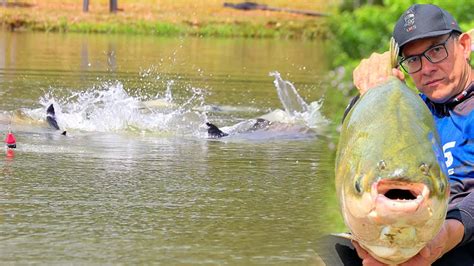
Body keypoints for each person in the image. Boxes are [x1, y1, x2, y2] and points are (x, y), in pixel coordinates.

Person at [320, 4, 474, 266]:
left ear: (464, 44)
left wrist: (449, 234)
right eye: (413, 60)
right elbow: (355, 153)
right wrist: (370, 93)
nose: (426, 68)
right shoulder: (410, 110)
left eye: (436, 50)